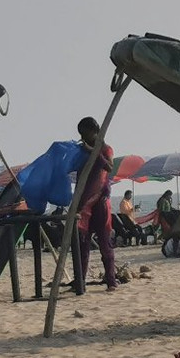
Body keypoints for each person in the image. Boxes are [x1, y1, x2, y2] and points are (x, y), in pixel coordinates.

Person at [75, 118, 118, 291]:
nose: (83, 137)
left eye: (86, 133)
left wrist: (94, 152)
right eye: (81, 134)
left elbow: (109, 167)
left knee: (104, 242)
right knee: (82, 244)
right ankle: (80, 281)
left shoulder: (105, 149)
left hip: (100, 200)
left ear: (95, 131)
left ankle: (111, 280)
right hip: (84, 203)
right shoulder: (81, 151)